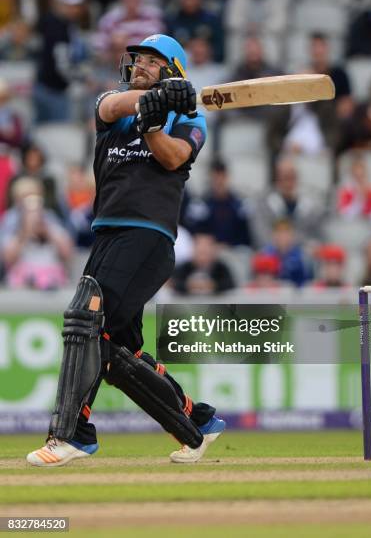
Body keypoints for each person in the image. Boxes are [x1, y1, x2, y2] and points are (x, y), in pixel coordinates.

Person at [26, 33, 225, 467]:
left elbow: (173, 158)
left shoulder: (191, 119)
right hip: (107, 234)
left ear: (172, 70)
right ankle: (198, 423)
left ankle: (71, 433)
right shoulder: (116, 107)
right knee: (117, 354)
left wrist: (155, 123)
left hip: (148, 236)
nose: (139, 65)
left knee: (87, 320)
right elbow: (107, 107)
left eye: (152, 62)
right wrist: (143, 103)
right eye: (138, 59)